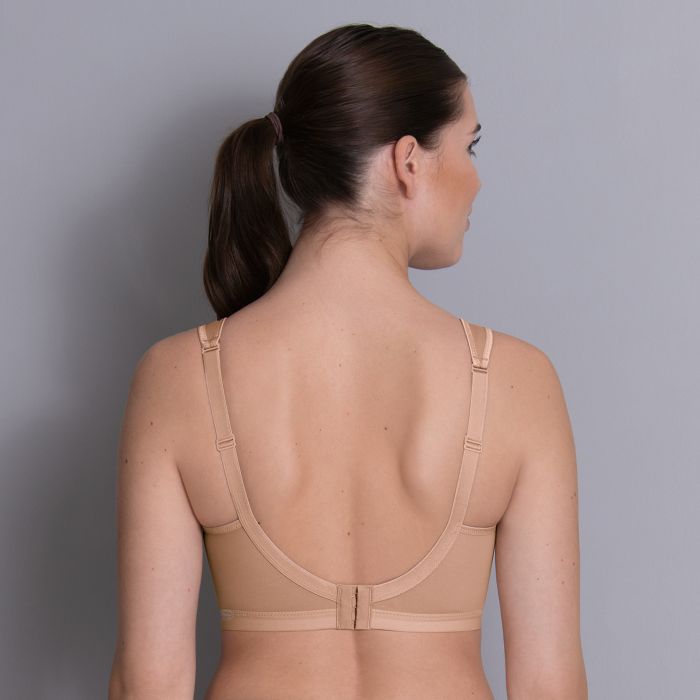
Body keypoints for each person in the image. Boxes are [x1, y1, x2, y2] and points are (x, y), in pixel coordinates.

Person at [108, 22, 587, 700]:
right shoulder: (518, 382)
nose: (478, 179)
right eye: (470, 145)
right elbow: (550, 686)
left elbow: (147, 685)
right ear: (409, 161)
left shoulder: (177, 376)